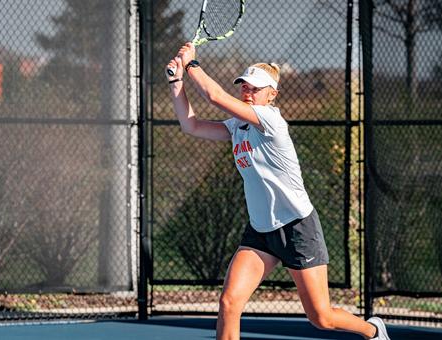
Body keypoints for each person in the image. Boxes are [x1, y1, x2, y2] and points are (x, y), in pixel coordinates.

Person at [166, 42, 390, 340]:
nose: (248, 91)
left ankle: (373, 331)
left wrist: (192, 64)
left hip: (297, 227)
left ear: (272, 94)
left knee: (321, 317)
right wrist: (176, 80)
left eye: (255, 88)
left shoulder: (271, 120)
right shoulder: (237, 127)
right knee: (229, 303)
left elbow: (215, 96)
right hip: (261, 231)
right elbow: (191, 126)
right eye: (244, 86)